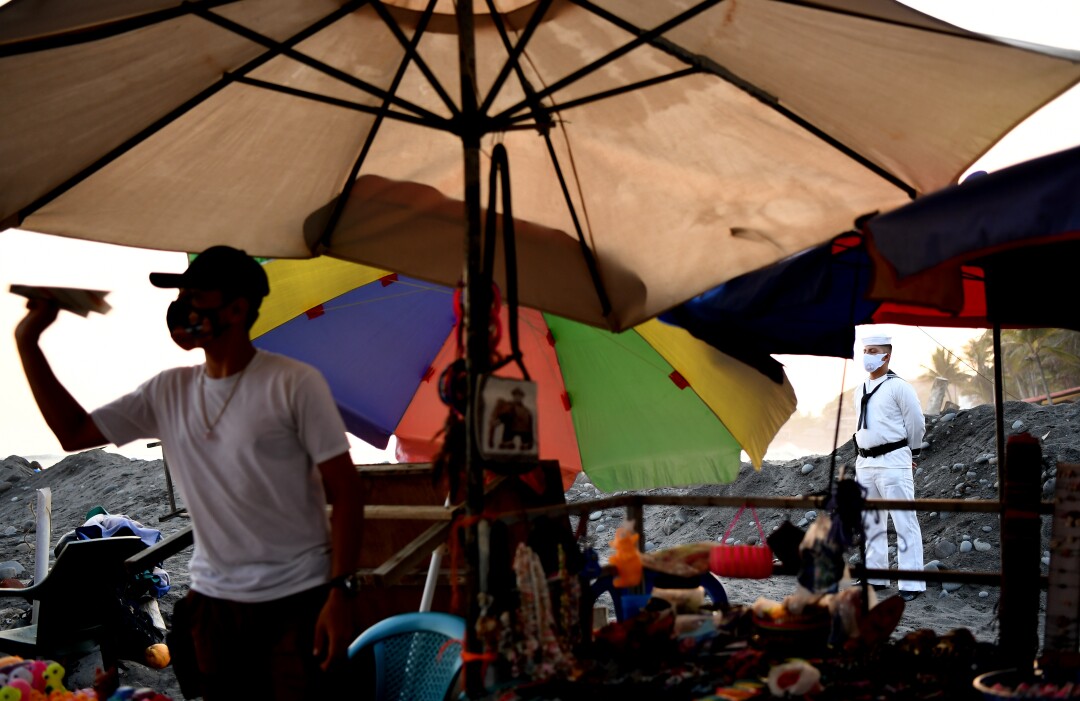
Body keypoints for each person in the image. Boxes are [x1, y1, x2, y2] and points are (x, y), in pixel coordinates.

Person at [14, 246, 365, 699]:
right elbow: (72, 430)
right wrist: (28, 339)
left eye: (195, 296)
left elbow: (349, 492)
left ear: (237, 309)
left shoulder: (294, 384)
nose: (181, 307)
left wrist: (341, 593)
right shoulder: (170, 391)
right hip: (215, 607)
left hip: (297, 603)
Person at [852, 334, 926, 603]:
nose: (868, 355)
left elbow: (916, 421)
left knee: (904, 521)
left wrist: (912, 452)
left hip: (893, 461)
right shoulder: (859, 388)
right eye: (865, 350)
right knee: (871, 522)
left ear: (886, 355)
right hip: (865, 462)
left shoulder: (899, 387)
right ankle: (875, 576)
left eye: (873, 350)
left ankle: (912, 583)